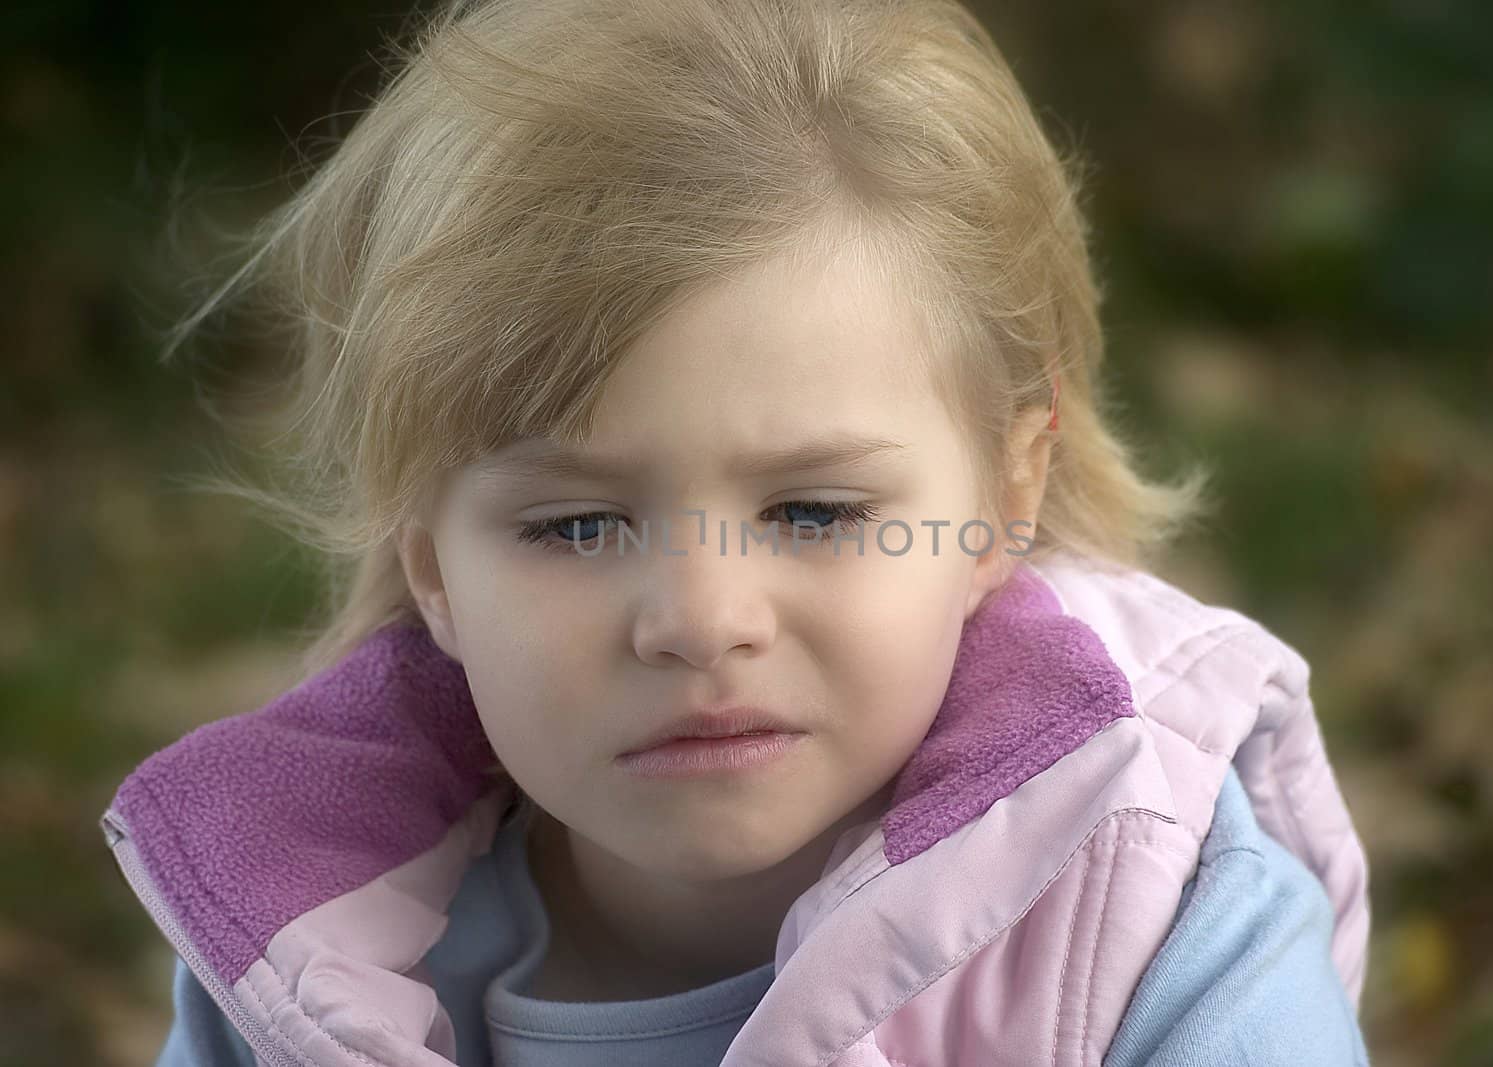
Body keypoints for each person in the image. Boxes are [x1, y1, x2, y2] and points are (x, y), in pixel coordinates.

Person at [107, 0, 1372, 1063]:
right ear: (430, 559)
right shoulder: (296, 954)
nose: (703, 620)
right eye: (578, 523)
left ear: (1003, 491)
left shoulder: (1157, 914)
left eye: (813, 510)